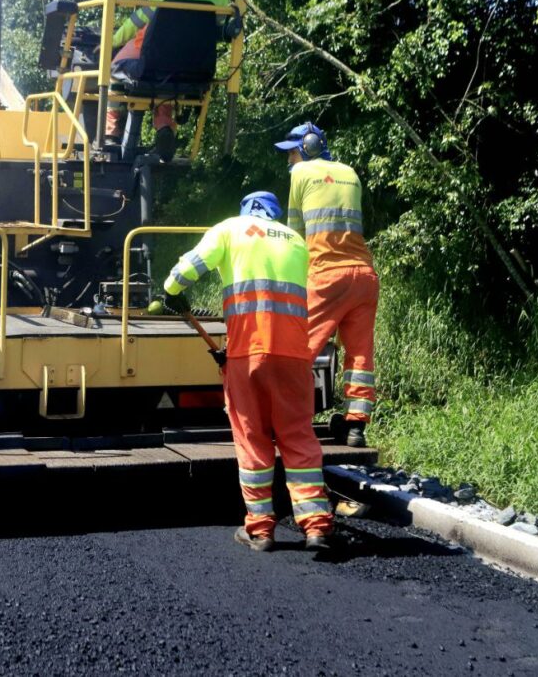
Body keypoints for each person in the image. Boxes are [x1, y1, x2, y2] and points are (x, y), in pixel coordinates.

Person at [162, 191, 335, 551]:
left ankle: (260, 529)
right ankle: (316, 526)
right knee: (298, 436)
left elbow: (183, 274)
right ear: (273, 214)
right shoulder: (296, 241)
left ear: (246, 210)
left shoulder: (230, 230)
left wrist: (171, 290)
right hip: (293, 356)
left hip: (248, 354)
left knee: (252, 437)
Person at [275, 122, 378, 448]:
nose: (288, 160)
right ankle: (356, 427)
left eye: (291, 152)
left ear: (307, 147)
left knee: (299, 348)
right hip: (363, 275)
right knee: (360, 355)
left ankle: (288, 419)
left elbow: (293, 232)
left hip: (326, 275)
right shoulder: (350, 172)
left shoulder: (300, 174)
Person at [104, 0, 229, 160]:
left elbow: (140, 18)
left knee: (112, 65)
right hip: (195, 67)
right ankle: (164, 125)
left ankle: (111, 132)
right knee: (168, 80)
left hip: (153, 63)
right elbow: (219, 27)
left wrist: (111, 42)